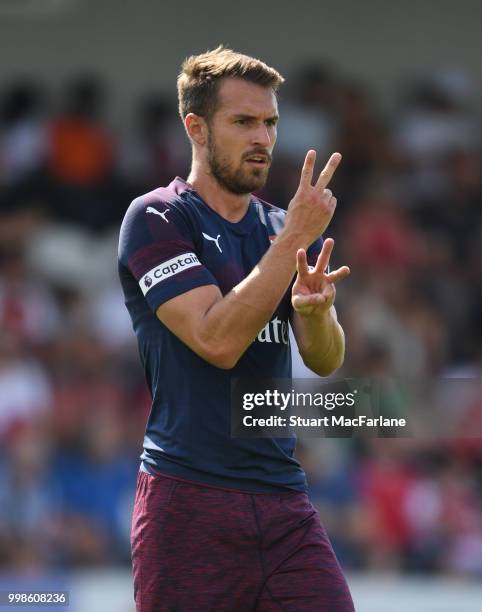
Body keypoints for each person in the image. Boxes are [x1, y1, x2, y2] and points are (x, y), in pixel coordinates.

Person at [118, 46, 354, 612]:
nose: (263, 138)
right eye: (244, 121)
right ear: (195, 127)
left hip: (283, 501)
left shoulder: (279, 226)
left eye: (270, 122)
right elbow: (217, 341)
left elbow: (325, 360)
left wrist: (318, 315)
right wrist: (293, 240)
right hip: (188, 500)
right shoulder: (157, 217)